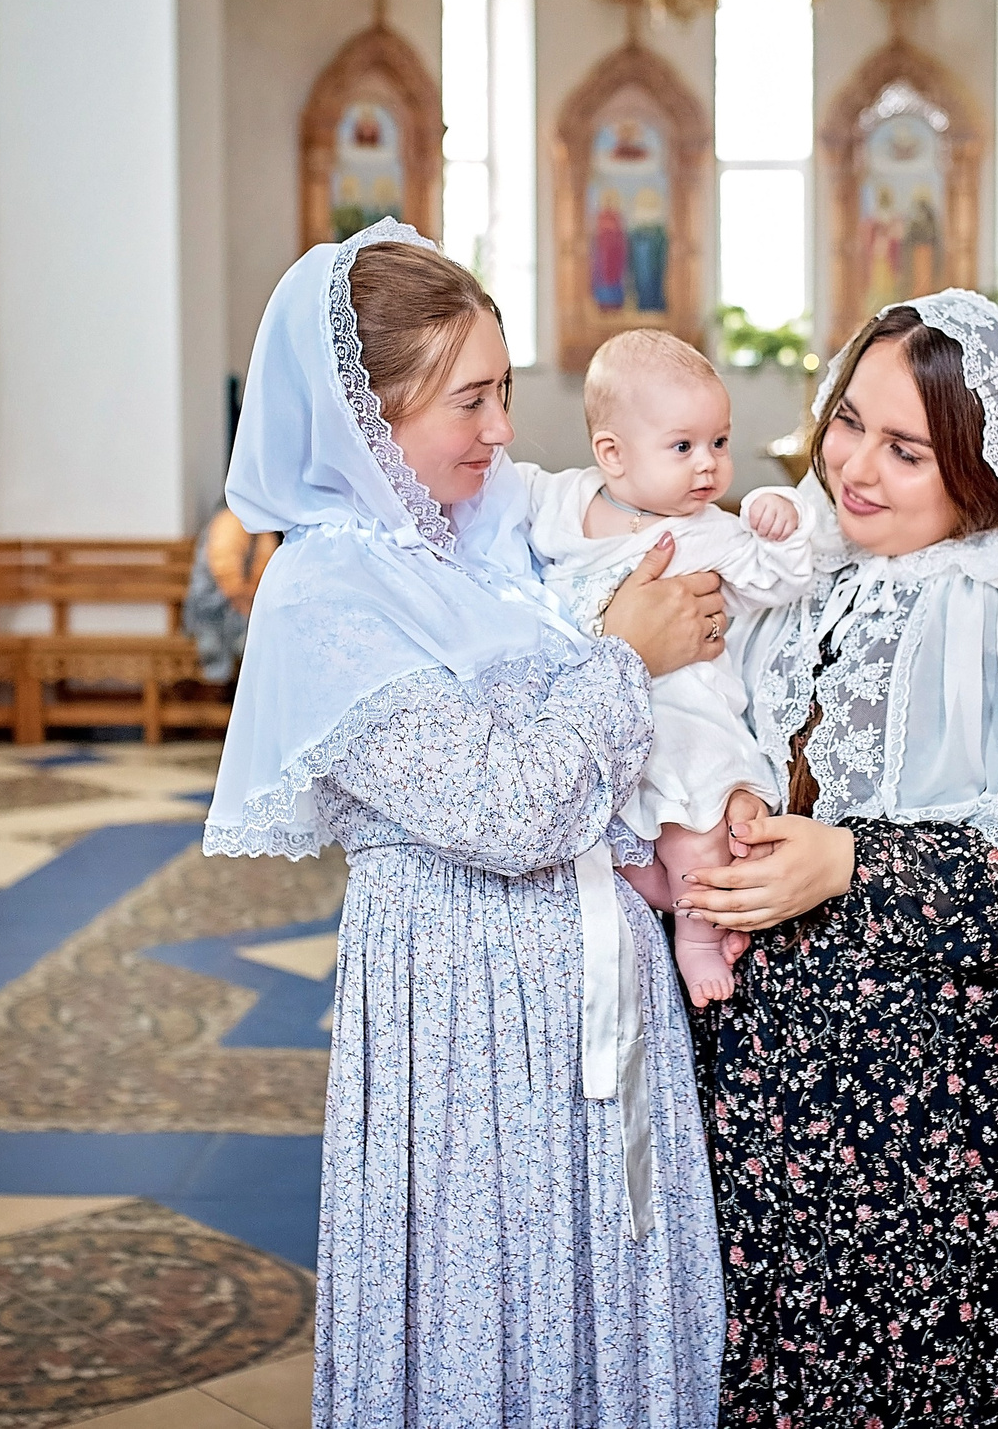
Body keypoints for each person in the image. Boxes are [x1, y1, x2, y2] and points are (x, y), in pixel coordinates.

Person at [202, 220, 729, 1427]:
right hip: (469, 1017)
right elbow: (507, 807)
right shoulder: (327, 587)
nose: (502, 430)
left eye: (502, 393)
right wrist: (621, 658)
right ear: (366, 412)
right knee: (496, 1310)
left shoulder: (476, 550)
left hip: (594, 984)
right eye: (471, 401)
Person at [680, 289, 998, 1427]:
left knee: (955, 1374)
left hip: (958, 1105)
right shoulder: (805, 580)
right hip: (787, 1083)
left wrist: (852, 863)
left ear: (982, 466)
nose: (853, 465)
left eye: (906, 450)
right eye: (848, 421)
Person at [523, 328, 814, 1004]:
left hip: (685, 716)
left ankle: (697, 933)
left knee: (709, 824)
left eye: (719, 441)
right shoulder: (566, 506)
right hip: (591, 709)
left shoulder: (712, 529)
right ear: (612, 454)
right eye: (683, 446)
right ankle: (676, 894)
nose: (708, 466)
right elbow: (509, 498)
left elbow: (783, 576)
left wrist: (783, 517)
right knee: (618, 834)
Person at [182, 506, 277, 682]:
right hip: (213, 606)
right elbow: (227, 577)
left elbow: (262, 574)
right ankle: (223, 692)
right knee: (259, 642)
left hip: (242, 605)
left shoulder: (261, 528)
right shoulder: (230, 523)